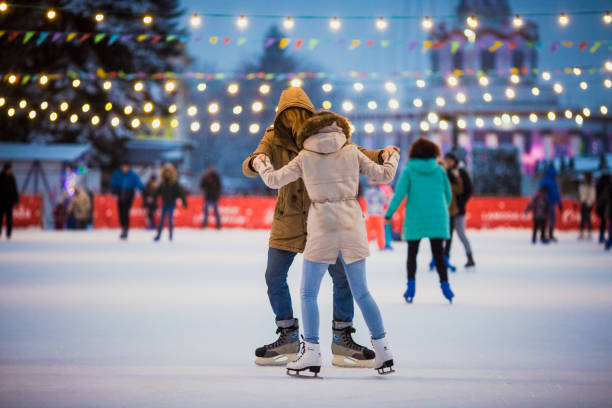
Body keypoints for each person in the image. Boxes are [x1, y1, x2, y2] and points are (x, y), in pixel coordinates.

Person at [242, 87, 398, 368]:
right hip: (291, 216)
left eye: (298, 115)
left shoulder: (319, 138)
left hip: (321, 220)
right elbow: (255, 159)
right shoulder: (273, 138)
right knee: (275, 276)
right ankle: (289, 334)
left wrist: (379, 154)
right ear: (280, 117)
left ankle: (341, 338)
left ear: (308, 113)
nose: (293, 121)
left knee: (339, 281)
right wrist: (255, 162)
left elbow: (357, 152)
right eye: (287, 116)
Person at [384, 137, 454, 304]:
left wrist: (388, 215)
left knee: (412, 254)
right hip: (437, 217)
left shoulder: (409, 171)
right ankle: (445, 286)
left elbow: (399, 195)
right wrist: (440, 209)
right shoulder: (439, 171)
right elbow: (448, 195)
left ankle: (411, 287)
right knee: (438, 254)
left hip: (415, 217)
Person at [444, 152, 475, 268]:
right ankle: (445, 257)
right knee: (447, 235)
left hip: (459, 210)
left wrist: (461, 202)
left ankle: (470, 256)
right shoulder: (445, 172)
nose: (448, 162)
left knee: (461, 234)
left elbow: (468, 189)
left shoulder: (461, 172)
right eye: (446, 160)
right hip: (448, 209)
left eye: (450, 160)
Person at [154, 163, 187, 242]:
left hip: (172, 203)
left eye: (169, 173)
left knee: (170, 219)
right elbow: (157, 192)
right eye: (166, 173)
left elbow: (181, 193)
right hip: (165, 202)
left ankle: (170, 235)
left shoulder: (174, 183)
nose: (167, 174)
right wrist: (152, 196)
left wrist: (184, 202)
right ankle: (158, 235)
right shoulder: (163, 183)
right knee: (162, 220)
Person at [110, 163, 144, 240]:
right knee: (121, 213)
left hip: (129, 194)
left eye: (126, 167)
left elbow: (138, 183)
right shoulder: (117, 174)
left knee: (126, 212)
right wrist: (114, 192)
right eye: (124, 167)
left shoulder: (132, 174)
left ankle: (126, 229)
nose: (125, 168)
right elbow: (113, 184)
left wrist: (144, 190)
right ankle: (123, 228)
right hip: (120, 194)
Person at [539, 166, 562, 242]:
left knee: (544, 219)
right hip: (550, 203)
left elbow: (539, 192)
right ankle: (550, 234)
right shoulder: (553, 182)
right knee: (552, 220)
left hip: (542, 204)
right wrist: (559, 203)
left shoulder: (543, 181)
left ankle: (542, 235)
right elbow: (555, 193)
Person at [365, 183, 388, 250]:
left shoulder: (367, 192)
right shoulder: (381, 192)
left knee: (367, 232)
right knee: (380, 231)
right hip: (378, 214)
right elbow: (384, 202)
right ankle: (381, 246)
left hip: (370, 214)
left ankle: (365, 246)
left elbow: (365, 202)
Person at [0, 162, 19, 239]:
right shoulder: (0, 177)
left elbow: (14, 189)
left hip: (9, 202)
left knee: (9, 218)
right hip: (1, 202)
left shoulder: (12, 178)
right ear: (7, 169)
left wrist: (16, 200)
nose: (12, 170)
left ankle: (8, 233)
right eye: (10, 169)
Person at [200, 165, 222, 229]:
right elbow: (202, 186)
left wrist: (217, 195)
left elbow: (219, 187)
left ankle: (218, 225)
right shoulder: (206, 177)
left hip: (214, 197)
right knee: (206, 212)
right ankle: (204, 224)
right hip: (208, 197)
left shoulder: (216, 177)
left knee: (215, 212)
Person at [576, 172, 596, 240]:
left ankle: (589, 233)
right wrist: (579, 200)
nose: (583, 177)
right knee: (582, 218)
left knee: (588, 218)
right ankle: (581, 233)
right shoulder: (582, 184)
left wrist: (589, 202)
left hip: (588, 203)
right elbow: (579, 193)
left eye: (584, 176)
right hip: (583, 203)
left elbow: (593, 195)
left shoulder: (591, 185)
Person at [595, 174, 610, 244]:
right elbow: (606, 198)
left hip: (601, 207)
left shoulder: (598, 186)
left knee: (603, 222)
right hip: (605, 207)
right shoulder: (607, 187)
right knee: (605, 222)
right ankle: (607, 238)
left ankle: (602, 236)